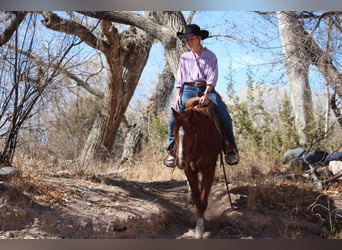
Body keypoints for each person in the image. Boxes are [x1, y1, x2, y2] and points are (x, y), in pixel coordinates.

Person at [164, 24, 239, 167]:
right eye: (187, 40)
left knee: (224, 116)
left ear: (199, 38)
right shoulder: (184, 57)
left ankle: (230, 149)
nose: (189, 42)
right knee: (173, 119)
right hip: (187, 89)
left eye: (191, 39)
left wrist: (207, 93)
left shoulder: (210, 56)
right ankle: (172, 150)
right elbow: (180, 77)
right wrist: (178, 94)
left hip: (206, 88)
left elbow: (212, 76)